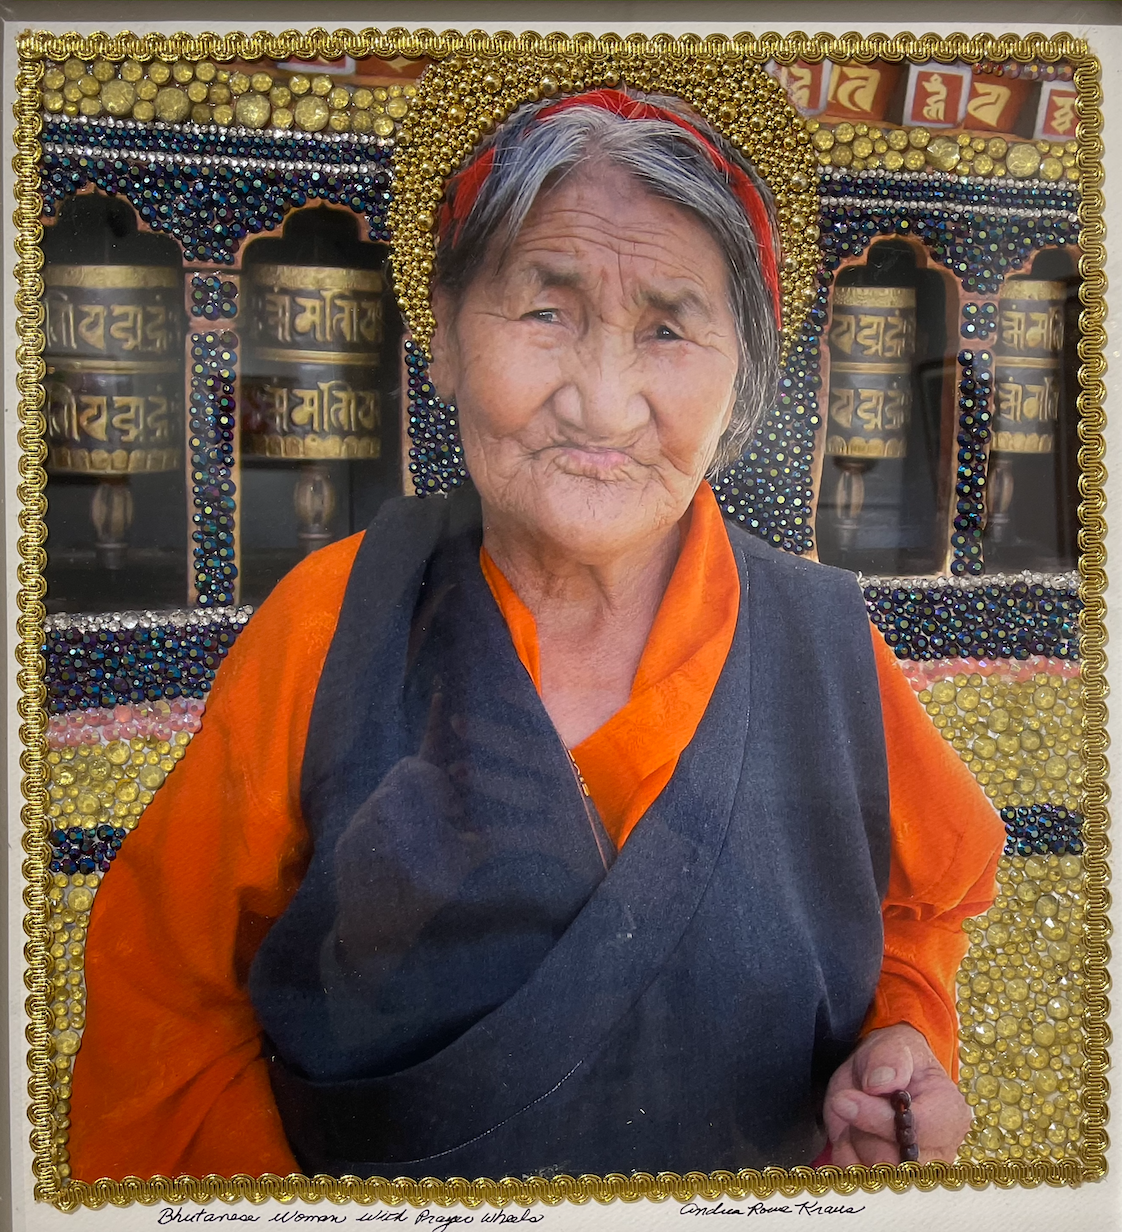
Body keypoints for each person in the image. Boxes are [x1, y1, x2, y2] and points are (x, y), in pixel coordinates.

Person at [69, 88, 1004, 1181]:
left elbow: (919, 908)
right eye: (546, 312)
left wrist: (902, 1040)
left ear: (740, 376)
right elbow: (168, 1008)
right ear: (446, 336)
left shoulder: (825, 645)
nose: (601, 404)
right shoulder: (331, 623)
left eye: (669, 327)